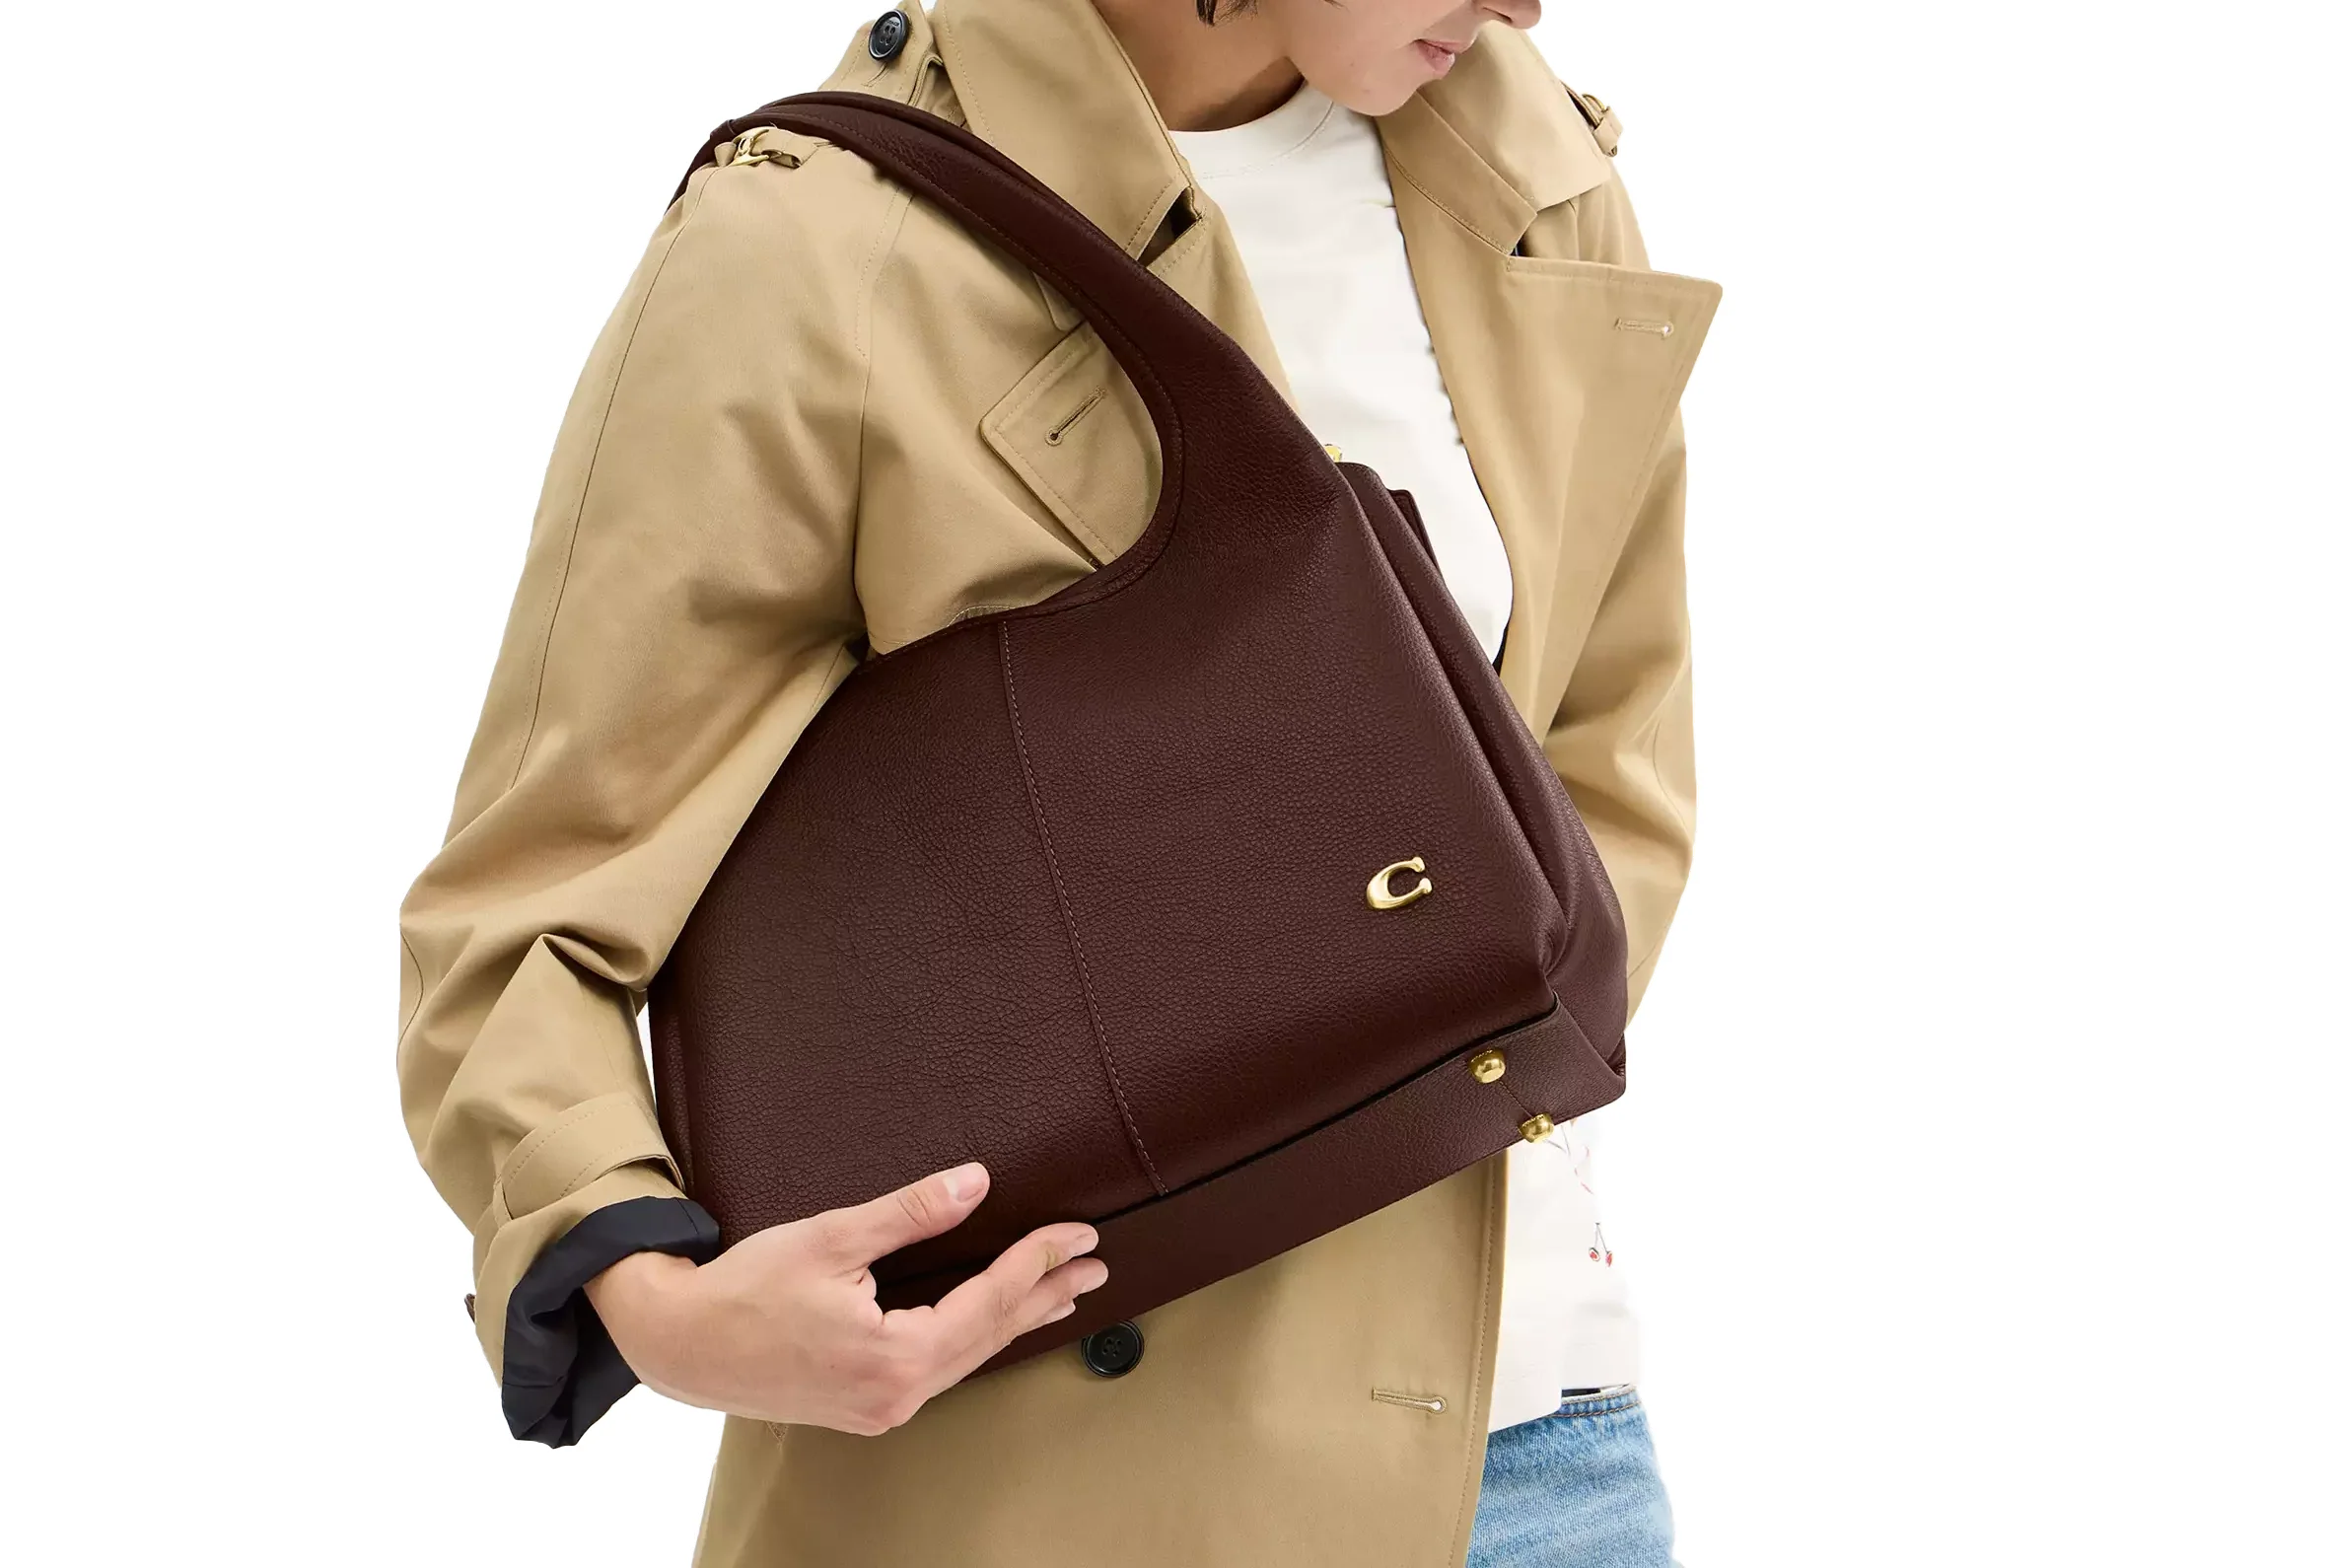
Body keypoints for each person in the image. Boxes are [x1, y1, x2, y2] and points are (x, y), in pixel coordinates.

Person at [393, 1, 1720, 1563]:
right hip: (1047, 1482)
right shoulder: (816, 242)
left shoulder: (1530, 174)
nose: (1525, 6)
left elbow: (1606, 772)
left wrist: (1437, 1048)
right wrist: (656, 1299)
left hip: (1544, 1461)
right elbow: (528, 912)